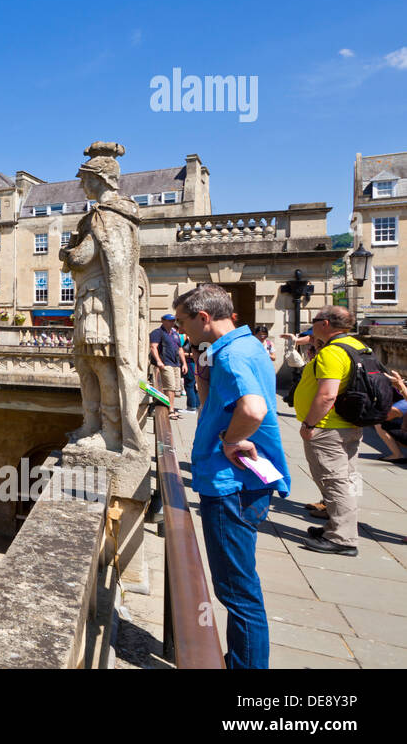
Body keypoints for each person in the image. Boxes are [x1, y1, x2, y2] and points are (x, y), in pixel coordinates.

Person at [174, 283, 290, 669]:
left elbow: (253, 409)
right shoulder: (246, 346)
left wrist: (231, 440)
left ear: (203, 318)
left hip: (231, 485)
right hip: (245, 484)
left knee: (237, 592)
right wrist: (202, 376)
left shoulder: (232, 355)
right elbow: (213, 408)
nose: (180, 330)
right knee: (238, 586)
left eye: (182, 322)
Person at [293, 306, 370, 556]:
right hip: (349, 424)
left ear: (325, 323)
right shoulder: (357, 346)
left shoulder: (333, 353)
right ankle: (338, 526)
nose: (311, 325)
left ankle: (342, 538)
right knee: (347, 478)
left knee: (333, 481)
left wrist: (310, 424)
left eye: (314, 321)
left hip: (328, 427)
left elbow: (327, 395)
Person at [149, 313, 186, 420]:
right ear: (163, 320)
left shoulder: (175, 334)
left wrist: (183, 363)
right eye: (169, 320)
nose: (172, 322)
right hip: (166, 363)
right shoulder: (157, 332)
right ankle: (170, 410)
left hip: (175, 363)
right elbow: (153, 347)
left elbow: (180, 349)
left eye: (173, 320)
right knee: (169, 387)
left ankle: (170, 407)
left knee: (175, 388)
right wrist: (159, 361)